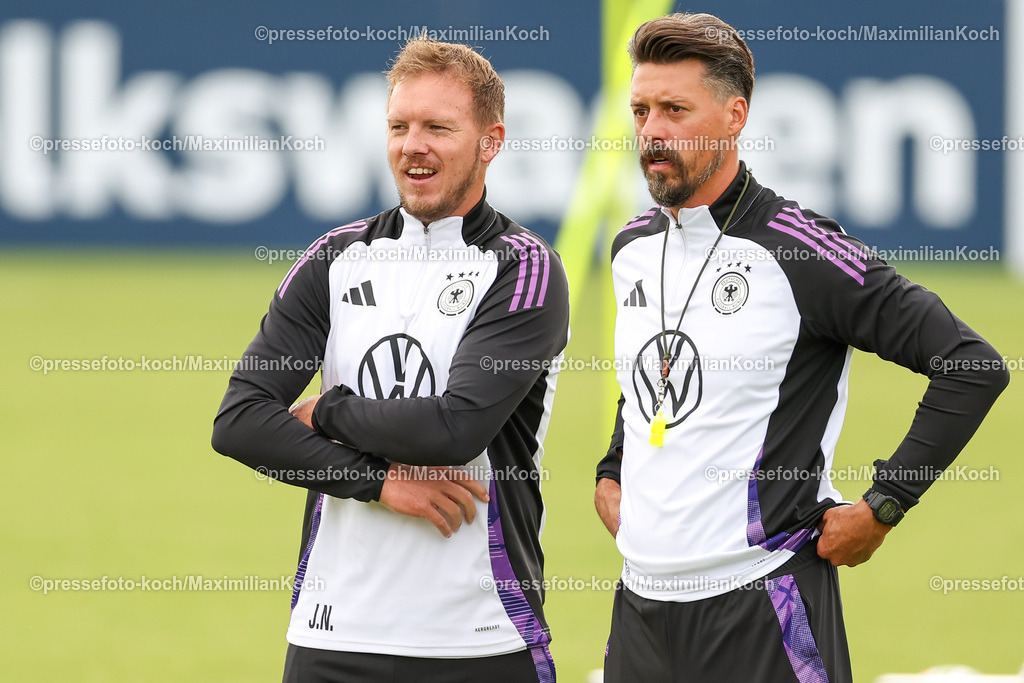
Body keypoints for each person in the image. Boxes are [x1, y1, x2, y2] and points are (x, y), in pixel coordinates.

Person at [593, 13, 1008, 682]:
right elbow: (651, 376)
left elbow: (970, 364)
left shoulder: (800, 250)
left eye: (675, 109)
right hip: (640, 612)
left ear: (734, 116)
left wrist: (885, 504)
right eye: (641, 110)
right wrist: (612, 466)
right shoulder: (631, 248)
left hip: (763, 607)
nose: (652, 131)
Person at [212, 37, 568, 683]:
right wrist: (378, 483)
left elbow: (455, 428)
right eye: (399, 126)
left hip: (480, 638)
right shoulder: (335, 257)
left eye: (438, 128)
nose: (413, 146)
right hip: (332, 636)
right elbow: (239, 422)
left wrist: (328, 412)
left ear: (491, 141)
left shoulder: (523, 268)